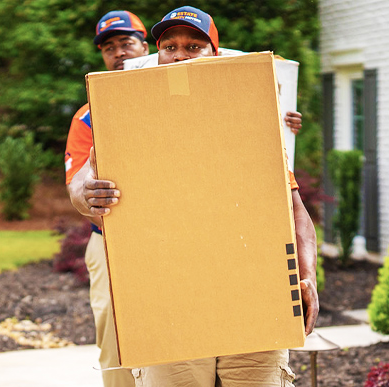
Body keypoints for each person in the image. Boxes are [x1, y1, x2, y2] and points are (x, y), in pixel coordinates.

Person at [67, 6, 319, 387]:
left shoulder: (247, 116)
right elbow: (82, 181)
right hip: (166, 288)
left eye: (193, 46)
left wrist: (307, 275)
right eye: (169, 46)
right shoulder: (120, 117)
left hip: (249, 291)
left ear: (214, 55)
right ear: (157, 55)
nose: (180, 55)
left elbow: (292, 204)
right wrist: (88, 192)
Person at [64, 10, 149, 387]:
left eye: (126, 43)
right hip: (110, 244)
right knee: (117, 348)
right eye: (109, 47)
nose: (119, 53)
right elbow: (76, 187)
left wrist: (282, 121)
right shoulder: (87, 117)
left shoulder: (181, 96)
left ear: (146, 46)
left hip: (181, 239)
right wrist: (87, 195)